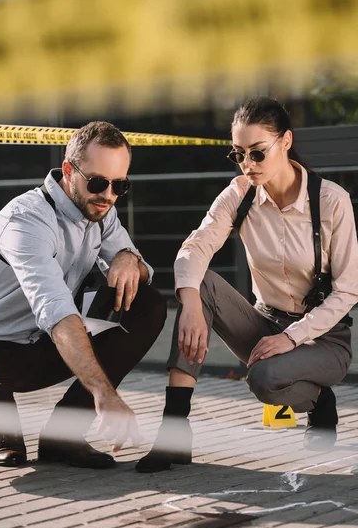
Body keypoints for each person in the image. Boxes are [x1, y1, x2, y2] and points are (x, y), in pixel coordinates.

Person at [136, 97, 358, 473]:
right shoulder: (240, 195)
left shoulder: (332, 201)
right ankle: (174, 432)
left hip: (324, 338)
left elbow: (348, 291)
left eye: (257, 154)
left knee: (265, 379)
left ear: (286, 142)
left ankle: (320, 400)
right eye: (238, 155)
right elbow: (196, 246)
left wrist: (290, 338)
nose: (247, 165)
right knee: (200, 284)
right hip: (263, 323)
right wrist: (189, 304)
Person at [0, 121, 167, 468]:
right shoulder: (27, 220)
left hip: (35, 345)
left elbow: (139, 268)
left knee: (147, 304)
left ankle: (62, 437)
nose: (109, 195)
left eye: (120, 185)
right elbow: (56, 313)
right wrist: (104, 394)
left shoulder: (102, 209)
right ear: (69, 171)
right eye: (99, 182)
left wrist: (130, 258)